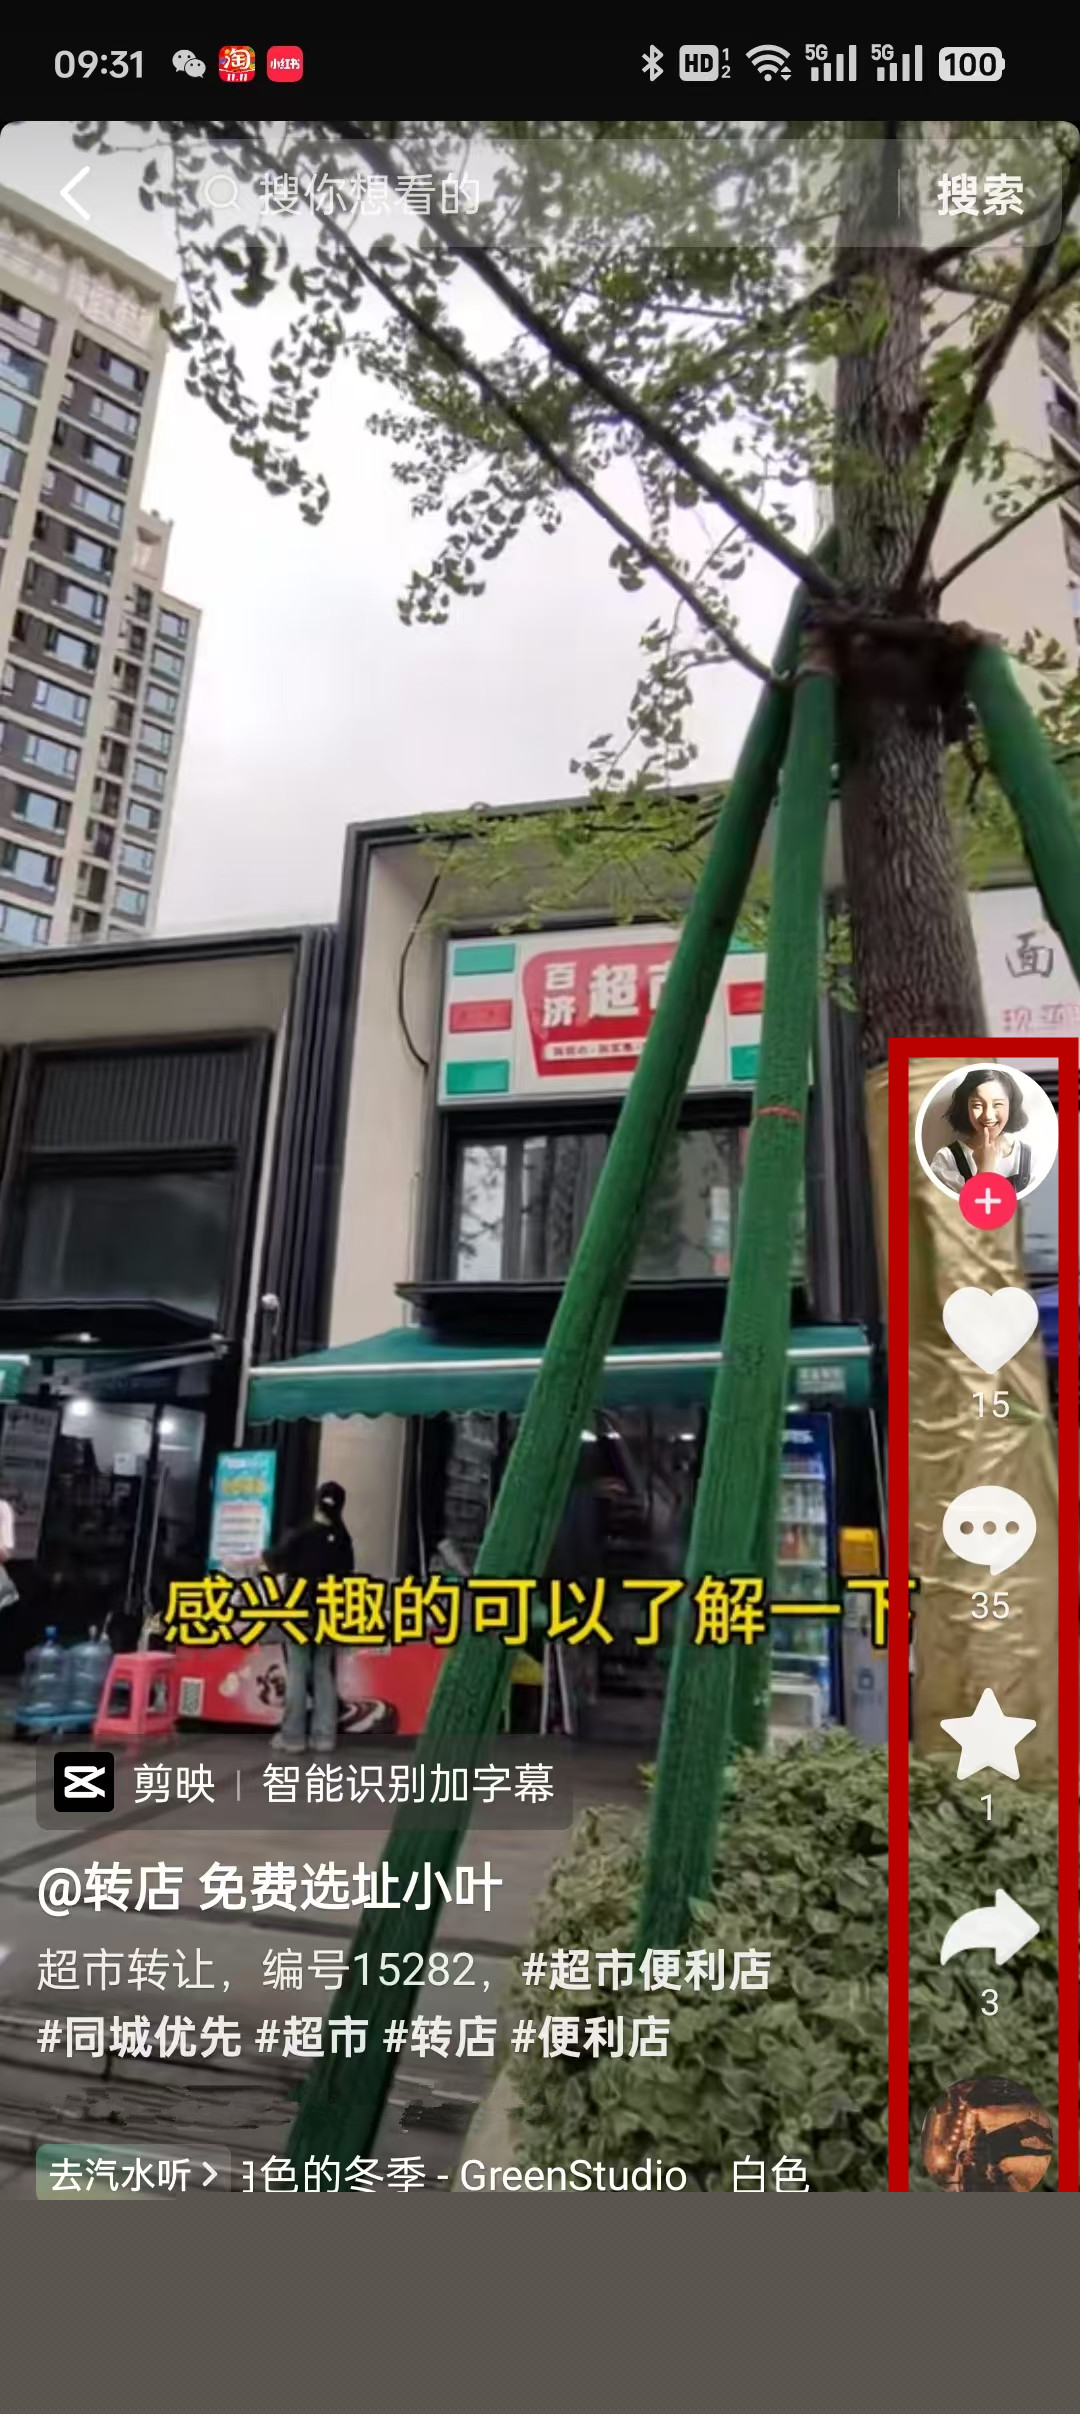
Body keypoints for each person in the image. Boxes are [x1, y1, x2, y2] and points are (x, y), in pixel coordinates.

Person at [265, 1480, 354, 1754]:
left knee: (297, 1671)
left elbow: (273, 1560)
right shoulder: (343, 1538)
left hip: (300, 1613)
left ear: (317, 1503)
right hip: (329, 1614)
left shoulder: (302, 1534)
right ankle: (324, 1737)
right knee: (323, 1672)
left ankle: (293, 1737)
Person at [928, 1065, 1032, 1196]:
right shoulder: (946, 1160)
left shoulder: (1031, 1158)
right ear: (965, 1108)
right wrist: (985, 1170)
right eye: (977, 1105)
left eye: (998, 1104)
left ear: (1011, 1107)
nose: (988, 1116)